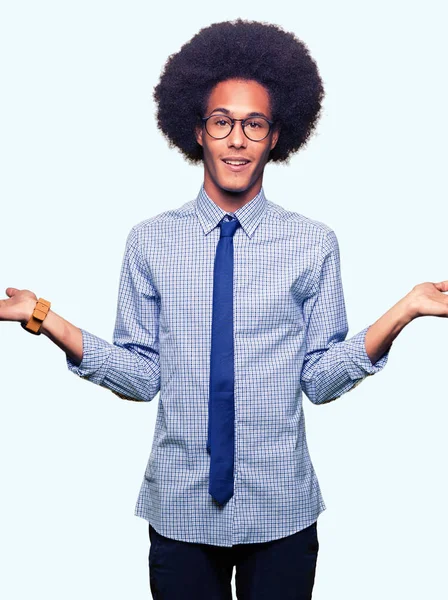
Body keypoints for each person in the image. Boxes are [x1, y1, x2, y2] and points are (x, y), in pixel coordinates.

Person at [1, 18, 447, 600]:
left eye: (253, 124)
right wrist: (44, 318)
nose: (237, 139)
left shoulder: (314, 244)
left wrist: (406, 309)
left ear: (275, 137)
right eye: (222, 122)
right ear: (198, 131)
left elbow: (319, 378)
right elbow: (140, 376)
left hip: (281, 510)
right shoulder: (149, 241)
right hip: (181, 511)